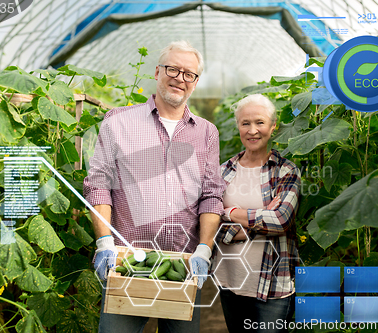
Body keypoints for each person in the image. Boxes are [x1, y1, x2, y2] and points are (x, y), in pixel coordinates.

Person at [83, 40, 225, 333]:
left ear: (195, 83)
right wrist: (104, 242)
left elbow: (212, 195)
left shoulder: (206, 133)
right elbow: (98, 184)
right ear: (158, 72)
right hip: (128, 263)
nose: (180, 78)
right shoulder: (118, 121)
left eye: (189, 74)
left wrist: (204, 249)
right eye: (173, 69)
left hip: (182, 266)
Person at [212, 94, 301, 333]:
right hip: (229, 281)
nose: (252, 130)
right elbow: (209, 224)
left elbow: (280, 221)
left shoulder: (286, 171)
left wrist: (229, 212)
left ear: (273, 127)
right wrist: (260, 217)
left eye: (260, 122)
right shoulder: (223, 172)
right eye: (245, 123)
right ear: (238, 127)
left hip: (274, 285)